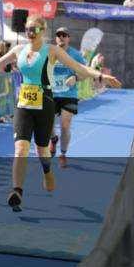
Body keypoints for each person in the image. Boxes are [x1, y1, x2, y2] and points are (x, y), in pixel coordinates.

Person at [0, 16, 120, 212]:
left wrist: (102, 75)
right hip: (24, 106)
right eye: (28, 29)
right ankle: (17, 192)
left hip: (45, 105)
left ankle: (47, 171)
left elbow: (78, 67)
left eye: (35, 30)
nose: (31, 33)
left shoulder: (51, 50)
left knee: (42, 150)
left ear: (43, 31)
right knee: (21, 149)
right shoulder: (18, 50)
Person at [48, 27, 87, 166]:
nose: (61, 38)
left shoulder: (75, 55)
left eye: (64, 35)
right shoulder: (49, 53)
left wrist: (76, 77)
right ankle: (53, 139)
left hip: (69, 94)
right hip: (51, 93)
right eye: (58, 35)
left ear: (68, 38)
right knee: (49, 126)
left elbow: (86, 72)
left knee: (65, 125)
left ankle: (63, 153)